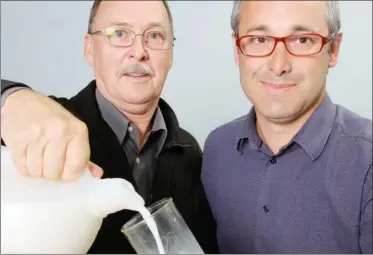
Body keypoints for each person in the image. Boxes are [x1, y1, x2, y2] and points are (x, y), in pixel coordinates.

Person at [1, 0, 218, 254]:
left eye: (155, 35)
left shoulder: (189, 151)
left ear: (170, 53)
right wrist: (11, 98)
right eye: (119, 33)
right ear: (89, 49)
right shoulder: (44, 133)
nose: (139, 51)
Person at [201, 0, 372, 254]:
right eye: (259, 40)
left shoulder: (367, 163)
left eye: (302, 40)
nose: (278, 65)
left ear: (333, 49)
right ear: (237, 50)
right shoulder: (217, 149)